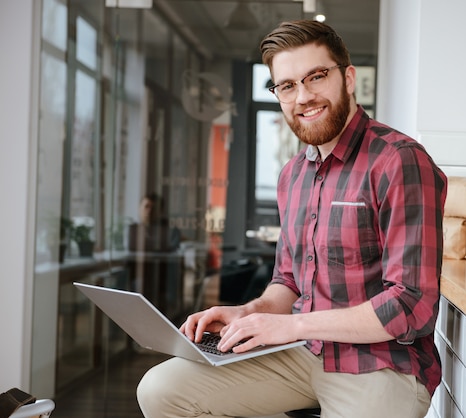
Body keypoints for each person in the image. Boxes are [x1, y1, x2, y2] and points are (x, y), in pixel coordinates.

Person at [137, 20, 447, 418]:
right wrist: (248, 314)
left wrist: (293, 327)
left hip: (381, 366)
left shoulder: (398, 160)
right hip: (301, 356)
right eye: (287, 86)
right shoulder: (294, 174)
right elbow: (288, 282)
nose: (303, 96)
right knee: (161, 390)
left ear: (348, 78)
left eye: (316, 77)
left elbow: (411, 304)